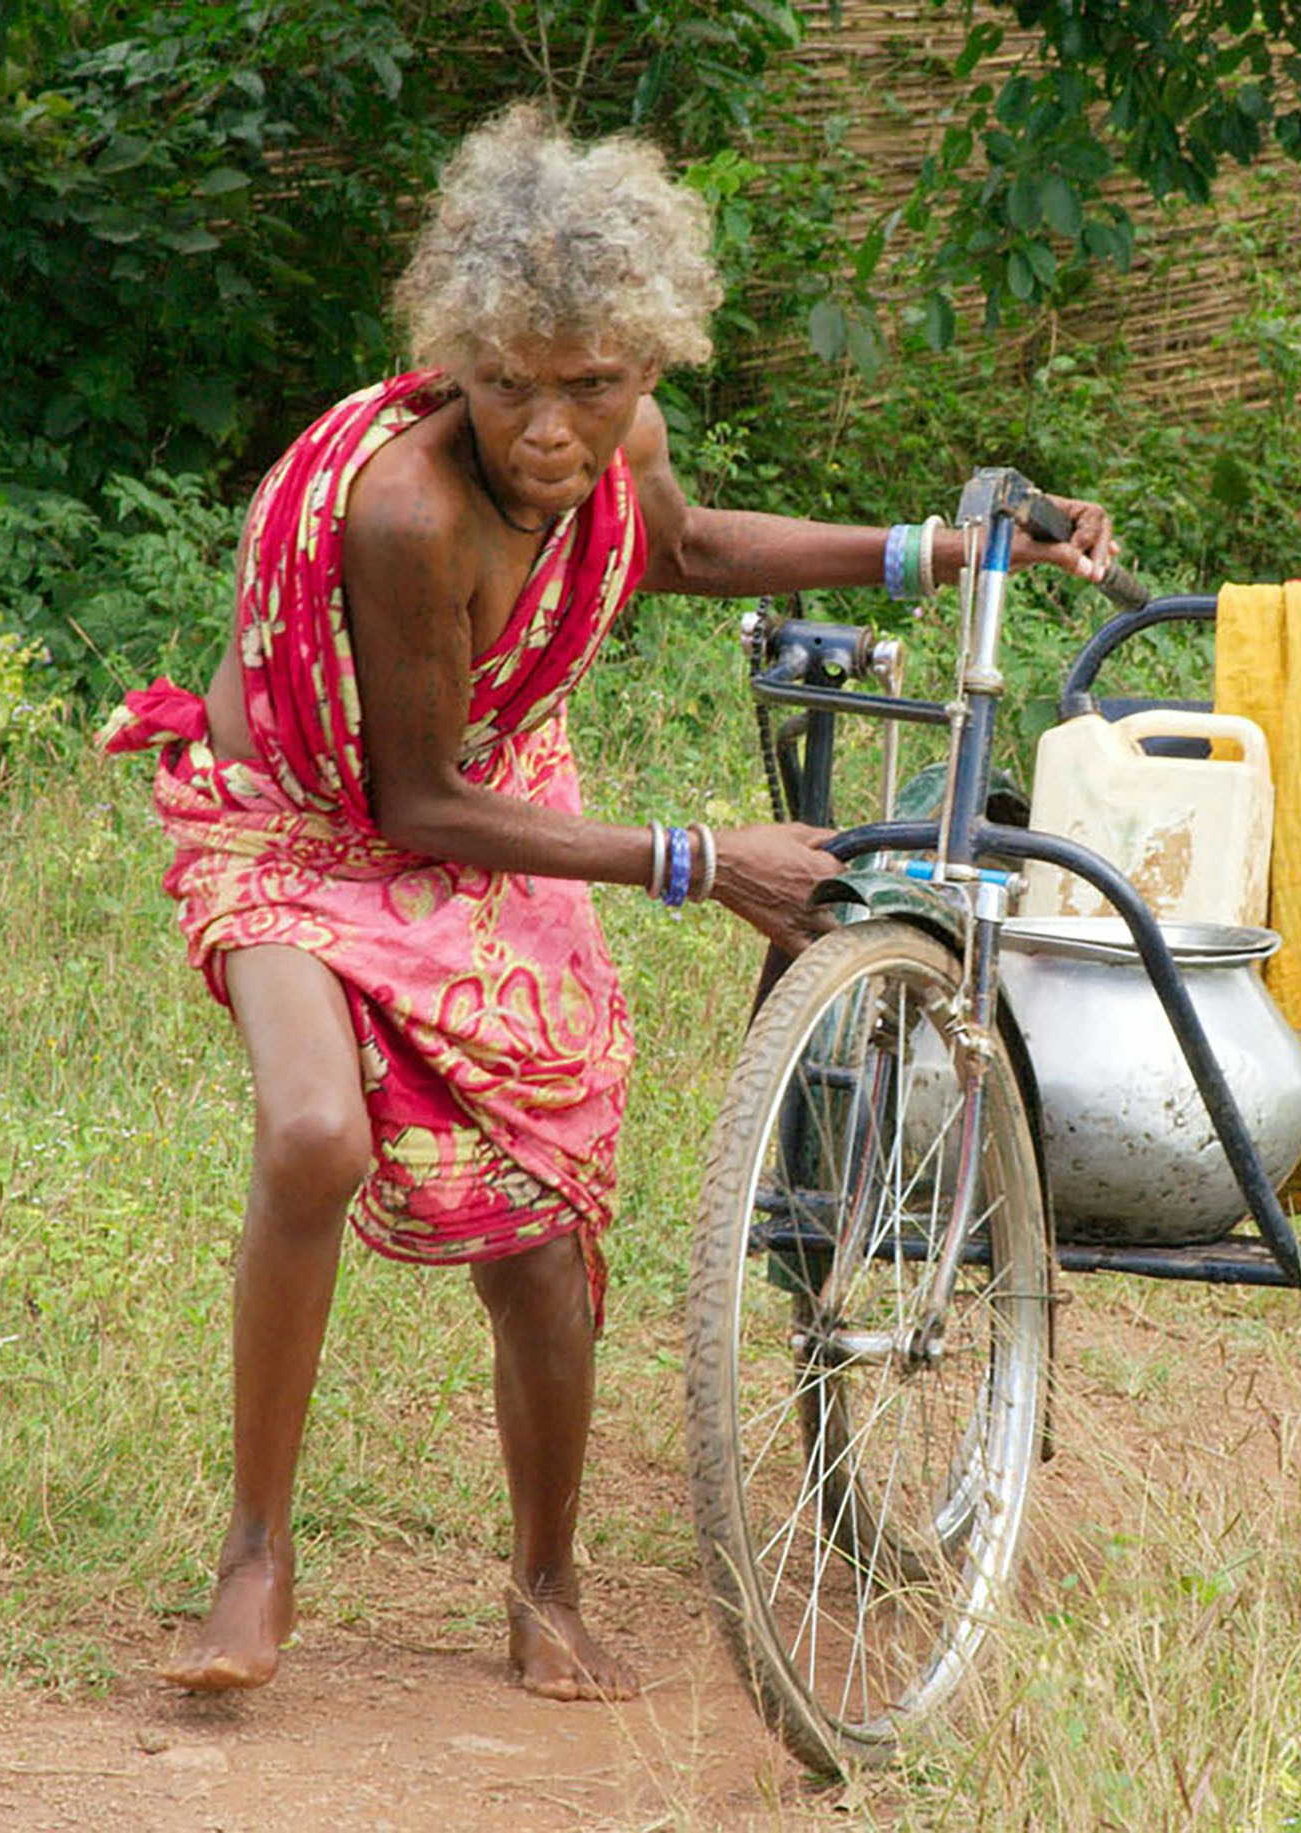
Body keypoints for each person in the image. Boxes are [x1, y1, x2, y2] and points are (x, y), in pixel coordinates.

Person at [102, 102, 1117, 1702]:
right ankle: (255, 1555)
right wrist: (699, 860)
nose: (551, 428)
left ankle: (548, 1578)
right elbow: (409, 804)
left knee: (544, 1234)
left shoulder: (615, 442)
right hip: (306, 826)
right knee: (311, 1136)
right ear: (457, 359)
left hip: (500, 803)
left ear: (647, 362)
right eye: (510, 384)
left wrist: (939, 543)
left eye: (592, 385)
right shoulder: (410, 512)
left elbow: (691, 541)